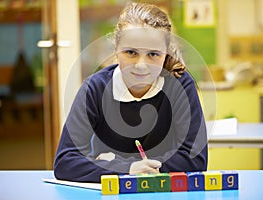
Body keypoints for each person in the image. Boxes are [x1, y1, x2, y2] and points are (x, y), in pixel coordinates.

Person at [54, 2, 207, 183]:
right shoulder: (94, 88)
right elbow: (65, 162)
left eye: (153, 54)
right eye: (131, 52)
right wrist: (129, 168)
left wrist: (120, 165)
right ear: (116, 50)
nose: (141, 65)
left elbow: (195, 159)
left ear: (166, 53)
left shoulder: (181, 85)